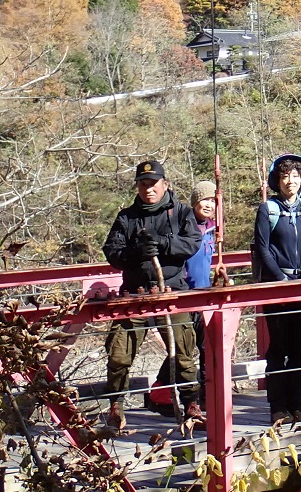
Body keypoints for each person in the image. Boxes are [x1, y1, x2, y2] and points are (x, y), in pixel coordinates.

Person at [101, 160, 202, 432]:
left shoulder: (181, 212)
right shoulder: (126, 217)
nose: (148, 189)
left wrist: (164, 243)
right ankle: (116, 406)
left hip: (171, 293)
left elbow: (193, 243)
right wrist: (135, 252)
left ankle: (191, 404)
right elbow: (112, 252)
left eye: (153, 184)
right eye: (143, 184)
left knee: (183, 353)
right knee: (119, 355)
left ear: (165, 184)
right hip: (135, 295)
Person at [252, 154, 301, 426]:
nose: (290, 181)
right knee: (278, 346)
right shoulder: (268, 210)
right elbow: (263, 248)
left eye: (295, 176)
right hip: (276, 286)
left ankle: (298, 405)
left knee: (298, 346)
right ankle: (278, 407)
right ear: (277, 180)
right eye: (285, 176)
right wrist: (280, 277)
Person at [149, 180, 219, 412]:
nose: (209, 204)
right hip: (182, 296)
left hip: (204, 295)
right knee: (182, 350)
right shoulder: (182, 226)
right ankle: (160, 393)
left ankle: (209, 395)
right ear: (195, 201)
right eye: (204, 199)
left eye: (213, 200)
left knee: (207, 347)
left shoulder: (212, 229)